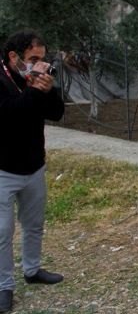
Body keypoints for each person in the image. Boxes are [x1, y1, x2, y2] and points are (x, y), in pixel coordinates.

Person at [0, 31, 65, 313]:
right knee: (2, 232)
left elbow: (57, 113)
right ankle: (4, 286)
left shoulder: (34, 83)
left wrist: (48, 90)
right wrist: (34, 90)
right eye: (32, 59)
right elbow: (10, 115)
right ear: (14, 57)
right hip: (3, 170)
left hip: (34, 166)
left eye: (42, 59)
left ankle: (32, 269)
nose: (38, 65)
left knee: (34, 224)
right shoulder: (2, 81)